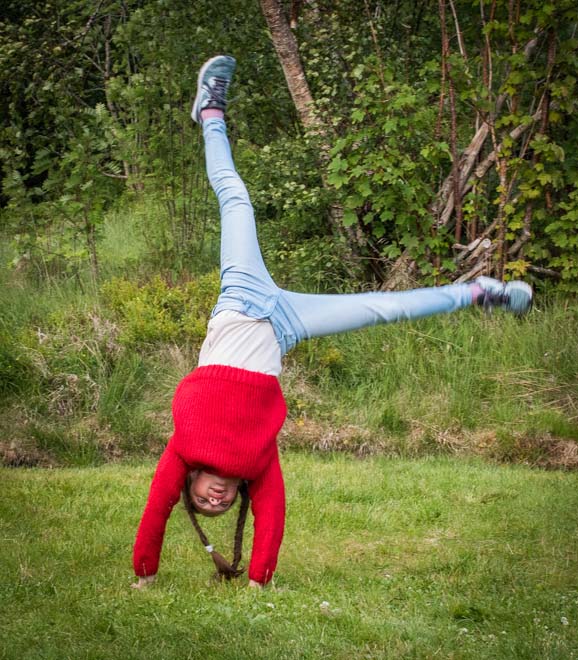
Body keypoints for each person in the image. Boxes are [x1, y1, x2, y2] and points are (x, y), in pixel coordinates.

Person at [131, 55, 532, 590]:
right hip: (288, 326)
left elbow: (154, 513)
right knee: (383, 307)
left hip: (242, 298)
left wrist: (145, 575)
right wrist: (258, 580)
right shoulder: (257, 463)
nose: (216, 498)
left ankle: (210, 113)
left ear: (192, 482)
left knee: (236, 198)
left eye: (205, 497)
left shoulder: (181, 452)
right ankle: (481, 293)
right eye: (218, 506)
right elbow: (272, 517)